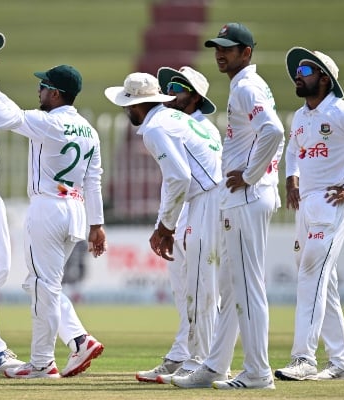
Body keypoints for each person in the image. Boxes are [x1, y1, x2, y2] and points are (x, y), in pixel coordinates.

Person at [171, 22, 284, 390]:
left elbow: (275, 131)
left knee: (247, 287)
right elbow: (271, 136)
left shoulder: (247, 87)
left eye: (228, 48)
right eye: (217, 47)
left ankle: (257, 373)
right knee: (235, 286)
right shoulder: (248, 85)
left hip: (246, 196)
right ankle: (215, 365)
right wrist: (262, 176)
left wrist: (251, 175)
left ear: (246, 53)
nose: (220, 53)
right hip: (248, 195)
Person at [274, 48, 344, 382]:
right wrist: (291, 178)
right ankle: (340, 363)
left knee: (310, 275)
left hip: (331, 206)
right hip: (305, 206)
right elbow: (293, 150)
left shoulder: (341, 111)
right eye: (297, 69)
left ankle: (303, 358)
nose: (298, 73)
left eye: (306, 69)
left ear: (325, 78)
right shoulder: (300, 116)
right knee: (325, 282)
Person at [104, 72, 222, 383]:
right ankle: (189, 356)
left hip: (207, 201)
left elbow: (179, 178)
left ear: (137, 105)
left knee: (200, 288)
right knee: (193, 287)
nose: (126, 110)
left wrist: (165, 228)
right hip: (206, 201)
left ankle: (201, 363)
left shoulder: (156, 128)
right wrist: (165, 225)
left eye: (127, 105)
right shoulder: (173, 118)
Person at [2, 65, 106, 379]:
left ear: (56, 93)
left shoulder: (47, 122)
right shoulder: (90, 130)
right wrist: (96, 224)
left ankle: (42, 363)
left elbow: (7, 113)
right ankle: (78, 339)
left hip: (47, 207)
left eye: (44, 86)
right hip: (75, 210)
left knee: (41, 286)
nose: (39, 91)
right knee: (43, 285)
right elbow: (94, 181)